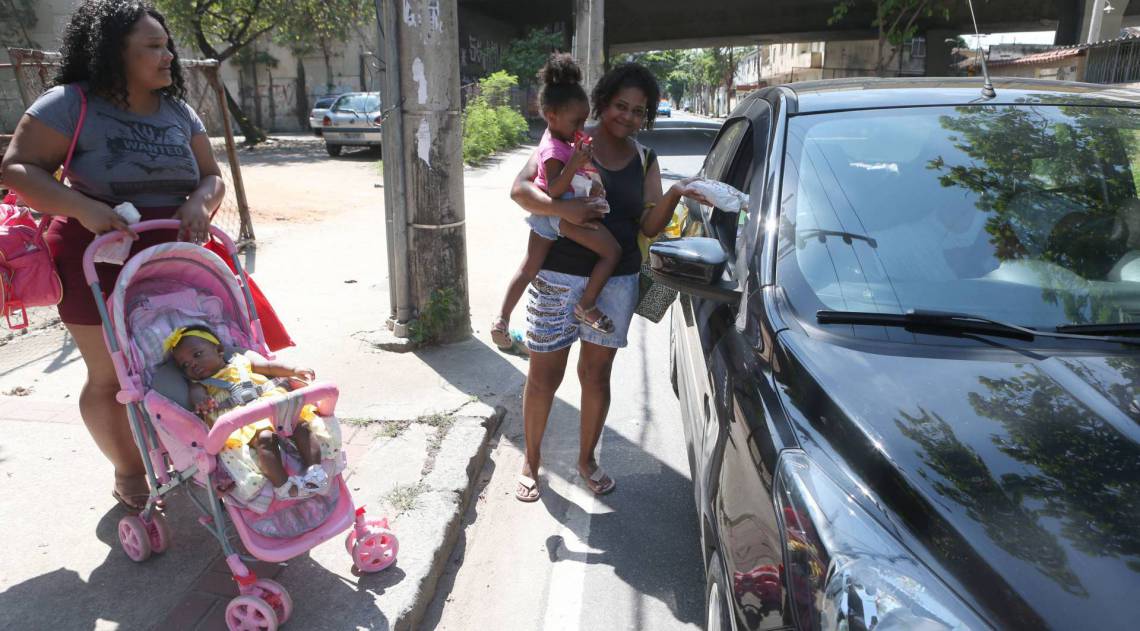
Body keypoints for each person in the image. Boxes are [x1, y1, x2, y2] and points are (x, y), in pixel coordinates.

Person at [0, 0, 225, 511]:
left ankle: (195, 455)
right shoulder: (69, 104)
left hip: (173, 257)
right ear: (114, 53)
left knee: (179, 363)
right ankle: (129, 472)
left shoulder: (180, 111)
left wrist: (199, 202)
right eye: (153, 46)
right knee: (112, 377)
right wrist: (82, 207)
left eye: (167, 45)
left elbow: (212, 176)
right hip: (95, 259)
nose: (168, 56)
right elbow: (17, 170)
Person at [508, 63, 707, 502]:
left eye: (638, 111)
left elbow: (649, 226)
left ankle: (586, 461)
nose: (628, 117)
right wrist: (562, 210)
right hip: (558, 276)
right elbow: (520, 190)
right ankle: (531, 461)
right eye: (621, 105)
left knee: (596, 376)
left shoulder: (645, 158)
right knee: (544, 376)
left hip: (616, 283)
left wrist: (676, 193)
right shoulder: (571, 138)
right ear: (602, 102)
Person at [491, 53, 619, 352]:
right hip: (558, 217)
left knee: (528, 268)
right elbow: (554, 190)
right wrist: (574, 164)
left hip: (548, 218)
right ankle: (587, 305)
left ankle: (502, 318)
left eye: (585, 120)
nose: (582, 127)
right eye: (577, 122)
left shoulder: (558, 139)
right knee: (612, 252)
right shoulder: (553, 150)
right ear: (551, 116)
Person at [166, 326, 335, 502]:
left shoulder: (241, 361)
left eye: (197, 355)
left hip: (269, 403)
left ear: (219, 350)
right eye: (185, 365)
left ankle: (314, 470)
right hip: (242, 419)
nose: (193, 364)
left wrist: (293, 370)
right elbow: (197, 396)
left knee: (301, 425)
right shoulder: (199, 384)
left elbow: (269, 367)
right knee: (265, 439)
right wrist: (202, 401)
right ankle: (283, 486)